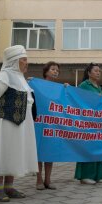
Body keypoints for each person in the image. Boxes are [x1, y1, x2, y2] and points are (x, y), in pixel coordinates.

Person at [0, 45, 38, 202]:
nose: (26, 63)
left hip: (20, 124)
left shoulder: (21, 79)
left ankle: (9, 187)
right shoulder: (3, 76)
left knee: (13, 153)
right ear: (14, 61)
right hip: (3, 121)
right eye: (23, 60)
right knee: (2, 151)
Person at [74, 63, 102, 184]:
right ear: (89, 73)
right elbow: (77, 99)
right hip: (87, 122)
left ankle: (97, 175)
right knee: (88, 148)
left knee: (98, 147)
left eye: (99, 71)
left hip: (98, 123)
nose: (98, 73)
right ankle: (85, 176)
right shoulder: (84, 85)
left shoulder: (99, 87)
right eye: (96, 70)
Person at [36, 61, 60, 190]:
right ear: (46, 72)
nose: (55, 71)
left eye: (57, 70)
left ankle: (48, 180)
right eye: (53, 69)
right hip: (40, 123)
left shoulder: (59, 88)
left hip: (53, 124)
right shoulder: (37, 85)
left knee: (50, 152)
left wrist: (67, 89)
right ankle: (39, 180)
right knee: (39, 151)